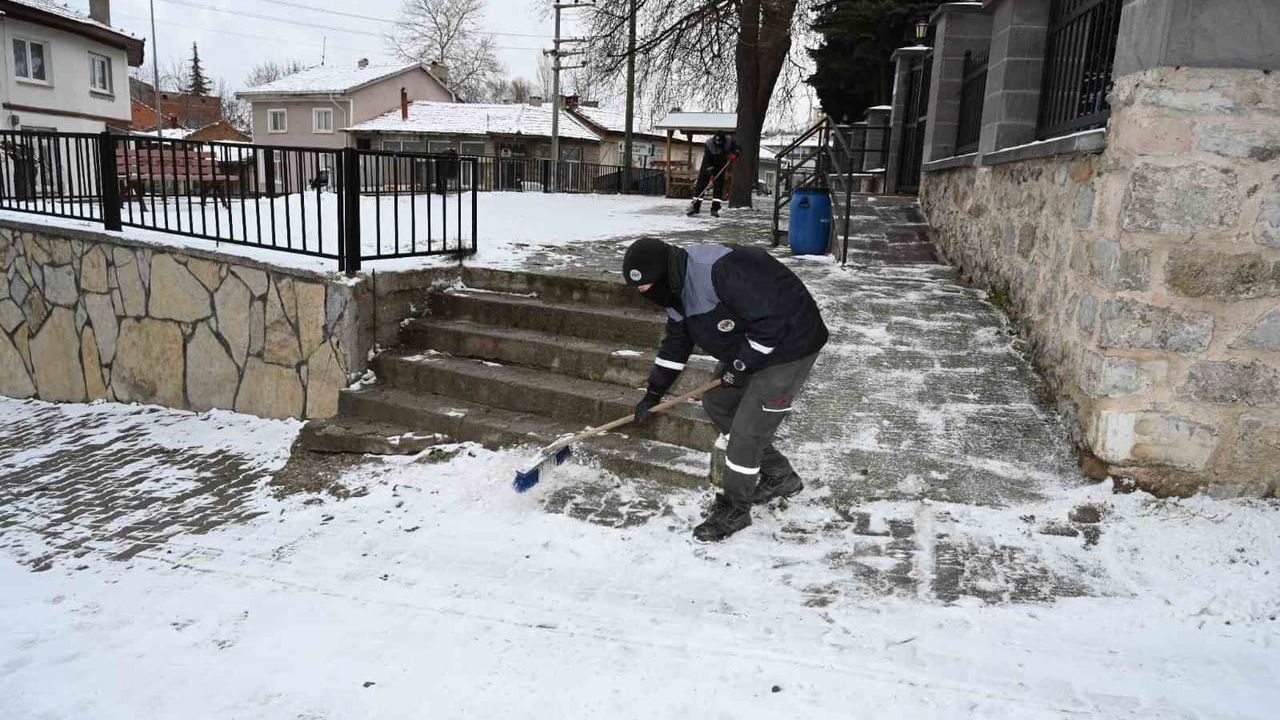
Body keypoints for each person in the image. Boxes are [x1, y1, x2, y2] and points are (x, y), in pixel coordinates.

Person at [623, 237, 828, 542]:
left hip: (790, 345)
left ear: (663, 274)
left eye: (648, 287)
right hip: (753, 343)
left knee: (747, 434)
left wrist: (740, 367)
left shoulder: (719, 270)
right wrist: (653, 393)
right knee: (718, 402)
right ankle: (780, 476)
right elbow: (676, 344)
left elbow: (772, 321)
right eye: (640, 291)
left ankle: (735, 507)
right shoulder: (676, 289)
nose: (647, 295)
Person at [687, 131, 740, 218]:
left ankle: (715, 209)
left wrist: (735, 154)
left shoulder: (729, 141)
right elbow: (708, 161)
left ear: (723, 141)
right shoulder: (709, 145)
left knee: (718, 187)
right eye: (717, 142)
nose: (718, 145)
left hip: (721, 165)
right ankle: (695, 207)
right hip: (707, 166)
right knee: (701, 186)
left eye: (720, 143)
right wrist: (711, 174)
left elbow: (738, 148)